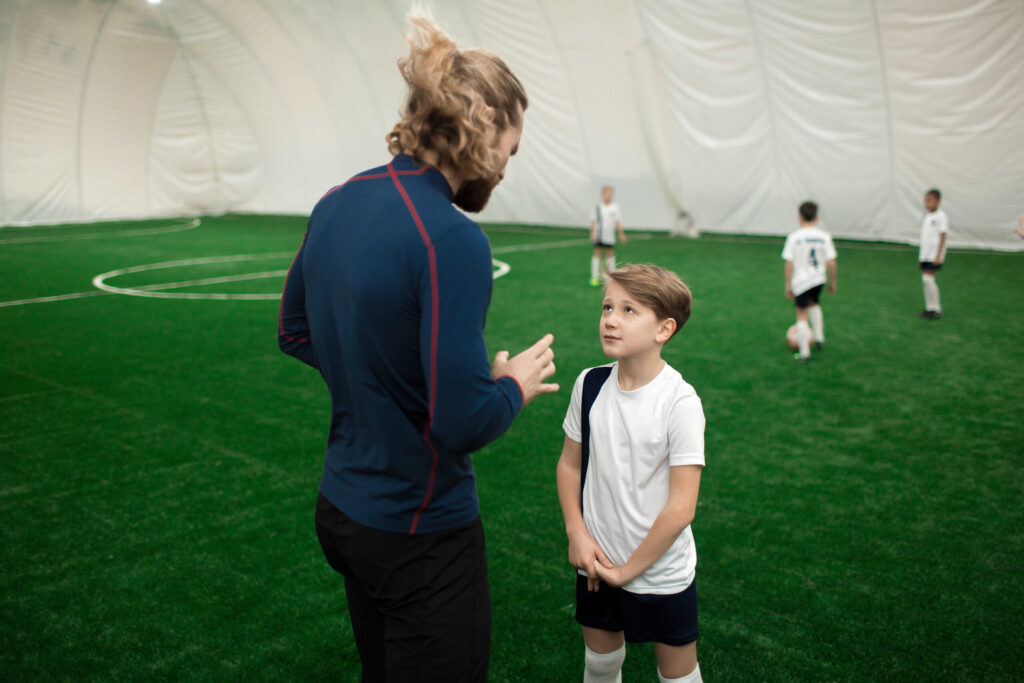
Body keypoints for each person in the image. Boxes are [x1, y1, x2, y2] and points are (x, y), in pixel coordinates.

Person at [278, 15, 559, 682]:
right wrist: (511, 384)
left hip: (344, 512)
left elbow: (295, 330)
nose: (506, 167)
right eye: (510, 150)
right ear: (482, 131)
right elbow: (461, 420)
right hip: (419, 531)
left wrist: (385, 379)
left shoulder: (336, 201)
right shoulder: (452, 237)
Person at [556, 264, 706, 683]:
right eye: (607, 306)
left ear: (664, 329)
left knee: (678, 674)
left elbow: (681, 508)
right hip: (596, 562)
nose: (610, 319)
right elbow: (569, 464)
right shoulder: (589, 384)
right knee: (601, 664)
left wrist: (627, 572)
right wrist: (577, 533)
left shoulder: (679, 402)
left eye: (628, 310)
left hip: (660, 570)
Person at [782, 201, 837, 362]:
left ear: (799, 217)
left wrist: (787, 284)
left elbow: (789, 261)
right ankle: (819, 338)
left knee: (801, 313)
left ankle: (804, 353)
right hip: (819, 279)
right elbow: (831, 261)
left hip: (801, 281)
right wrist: (832, 281)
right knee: (814, 303)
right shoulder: (824, 237)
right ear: (817, 217)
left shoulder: (794, 237)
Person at [918, 188, 948, 319]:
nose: (927, 203)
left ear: (938, 201)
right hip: (925, 255)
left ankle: (936, 309)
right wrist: (921, 256)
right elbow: (925, 238)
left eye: (930, 200)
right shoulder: (926, 216)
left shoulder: (941, 216)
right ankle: (929, 308)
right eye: (926, 200)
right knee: (925, 281)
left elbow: (942, 236)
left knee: (928, 279)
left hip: (934, 255)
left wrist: (938, 256)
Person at [589, 186, 627, 286]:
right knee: (597, 254)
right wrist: (592, 232)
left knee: (610, 255)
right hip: (599, 235)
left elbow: (617, 222)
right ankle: (594, 277)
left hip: (609, 236)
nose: (609, 197)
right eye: (607, 194)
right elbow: (593, 221)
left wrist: (621, 234)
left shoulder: (615, 207)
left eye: (611, 195)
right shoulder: (597, 207)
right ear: (602, 195)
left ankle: (611, 277)